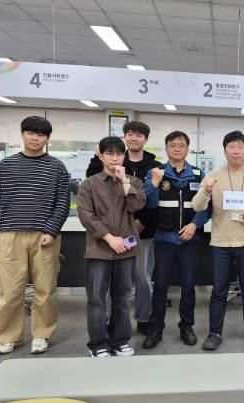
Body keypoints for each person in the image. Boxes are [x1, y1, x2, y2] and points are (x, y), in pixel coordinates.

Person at [0, 116, 70, 355]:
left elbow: (62, 203)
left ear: (47, 139)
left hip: (44, 236)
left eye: (41, 135)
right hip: (10, 235)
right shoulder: (6, 165)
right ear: (22, 134)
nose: (35, 138)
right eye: (31, 133)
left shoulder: (57, 167)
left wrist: (51, 230)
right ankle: (9, 337)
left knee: (45, 290)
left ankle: (42, 335)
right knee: (9, 290)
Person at [191, 130, 244, 350]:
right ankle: (214, 333)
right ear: (225, 150)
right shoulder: (213, 176)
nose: (236, 151)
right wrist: (206, 190)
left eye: (240, 146)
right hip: (220, 243)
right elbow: (197, 206)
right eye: (231, 146)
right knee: (219, 290)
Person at [86, 121, 161, 335]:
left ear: (146, 139)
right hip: (112, 235)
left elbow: (151, 201)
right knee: (111, 281)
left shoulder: (155, 165)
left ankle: (144, 318)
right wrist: (98, 155)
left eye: (139, 135)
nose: (134, 138)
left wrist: (138, 224)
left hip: (143, 232)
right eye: (130, 134)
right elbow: (93, 181)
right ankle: (109, 319)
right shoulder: (115, 159)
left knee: (142, 278)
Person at [77, 136, 146, 357]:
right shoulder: (89, 184)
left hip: (126, 250)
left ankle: (120, 340)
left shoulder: (134, 182)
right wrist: (109, 238)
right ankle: (98, 343)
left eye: (118, 153)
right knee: (96, 299)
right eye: (109, 153)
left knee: (122, 298)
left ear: (124, 156)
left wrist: (125, 182)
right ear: (101, 156)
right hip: (99, 249)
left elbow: (136, 205)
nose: (114, 158)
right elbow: (85, 215)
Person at [141, 131, 211, 349]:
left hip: (189, 241)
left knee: (188, 286)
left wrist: (194, 225)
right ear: (166, 149)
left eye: (181, 145)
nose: (177, 149)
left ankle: (186, 327)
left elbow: (206, 206)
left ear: (187, 149)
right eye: (173, 145)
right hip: (164, 240)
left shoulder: (198, 175)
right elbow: (150, 204)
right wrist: (154, 184)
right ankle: (155, 329)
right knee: (160, 286)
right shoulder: (156, 173)